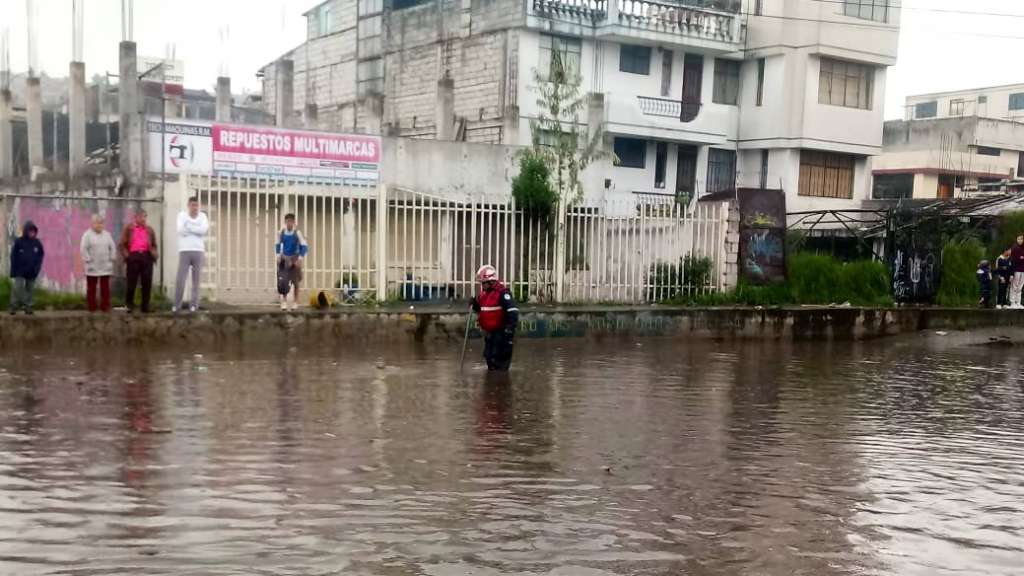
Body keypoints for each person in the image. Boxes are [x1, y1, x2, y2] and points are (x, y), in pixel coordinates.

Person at [470, 265, 519, 372]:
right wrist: (475, 305)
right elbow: (483, 311)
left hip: (502, 335)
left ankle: (500, 386)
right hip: (490, 334)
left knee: (500, 364)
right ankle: (491, 386)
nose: (482, 285)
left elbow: (513, 312)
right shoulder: (483, 295)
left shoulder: (502, 293)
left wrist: (509, 330)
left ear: (491, 281)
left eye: (483, 283)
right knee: (490, 360)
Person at [119, 209, 159, 313]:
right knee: (131, 282)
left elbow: (154, 244)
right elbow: (122, 244)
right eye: (141, 217)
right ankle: (129, 304)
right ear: (136, 217)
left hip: (146, 256)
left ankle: (145, 306)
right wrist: (127, 256)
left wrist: (154, 254)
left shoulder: (150, 230)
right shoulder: (129, 228)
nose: (143, 219)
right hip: (133, 256)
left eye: (145, 217)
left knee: (147, 282)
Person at [173, 196, 209, 313]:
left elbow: (203, 230)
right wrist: (196, 229)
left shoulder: (203, 216)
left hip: (198, 250)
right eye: (193, 205)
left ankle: (194, 305)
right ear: (189, 205)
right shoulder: (182, 215)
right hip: (185, 250)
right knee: (181, 279)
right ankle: (176, 305)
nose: (195, 208)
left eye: (197, 205)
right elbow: (180, 230)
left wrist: (189, 227)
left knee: (196, 280)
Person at [80, 214, 117, 313]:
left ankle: (105, 306)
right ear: (92, 224)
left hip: (105, 265)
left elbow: (112, 247)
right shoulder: (87, 235)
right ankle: (92, 306)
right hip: (92, 266)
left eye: (101, 223)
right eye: (97, 223)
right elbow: (83, 248)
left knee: (105, 288)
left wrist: (112, 258)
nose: (99, 225)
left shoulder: (107, 234)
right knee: (91, 288)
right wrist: (88, 259)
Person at [8, 221, 44, 316]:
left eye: (33, 231)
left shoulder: (37, 243)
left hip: (32, 271)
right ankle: (13, 307)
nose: (32, 233)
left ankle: (28, 307)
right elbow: (13, 256)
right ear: (26, 231)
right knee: (17, 288)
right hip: (19, 270)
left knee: (30, 289)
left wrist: (37, 268)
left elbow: (40, 256)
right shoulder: (19, 242)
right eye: (30, 231)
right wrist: (14, 269)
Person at [275, 213, 308, 311]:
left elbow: (304, 246)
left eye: (291, 221)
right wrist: (278, 256)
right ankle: (284, 302)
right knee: (283, 281)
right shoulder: (281, 232)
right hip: (285, 259)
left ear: (293, 222)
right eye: (287, 221)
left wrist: (300, 259)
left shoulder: (297, 233)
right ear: (285, 222)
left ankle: (295, 302)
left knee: (296, 282)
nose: (289, 223)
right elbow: (277, 244)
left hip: (294, 259)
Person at [1011, 235, 1024, 310]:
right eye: (1019, 239)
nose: (1020, 240)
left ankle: (1018, 302)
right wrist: (1021, 258)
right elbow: (1015, 259)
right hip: (1016, 270)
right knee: (1014, 286)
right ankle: (1012, 302)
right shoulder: (1015, 248)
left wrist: (1021, 258)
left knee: (1020, 287)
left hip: (1023, 270)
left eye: (1021, 239)